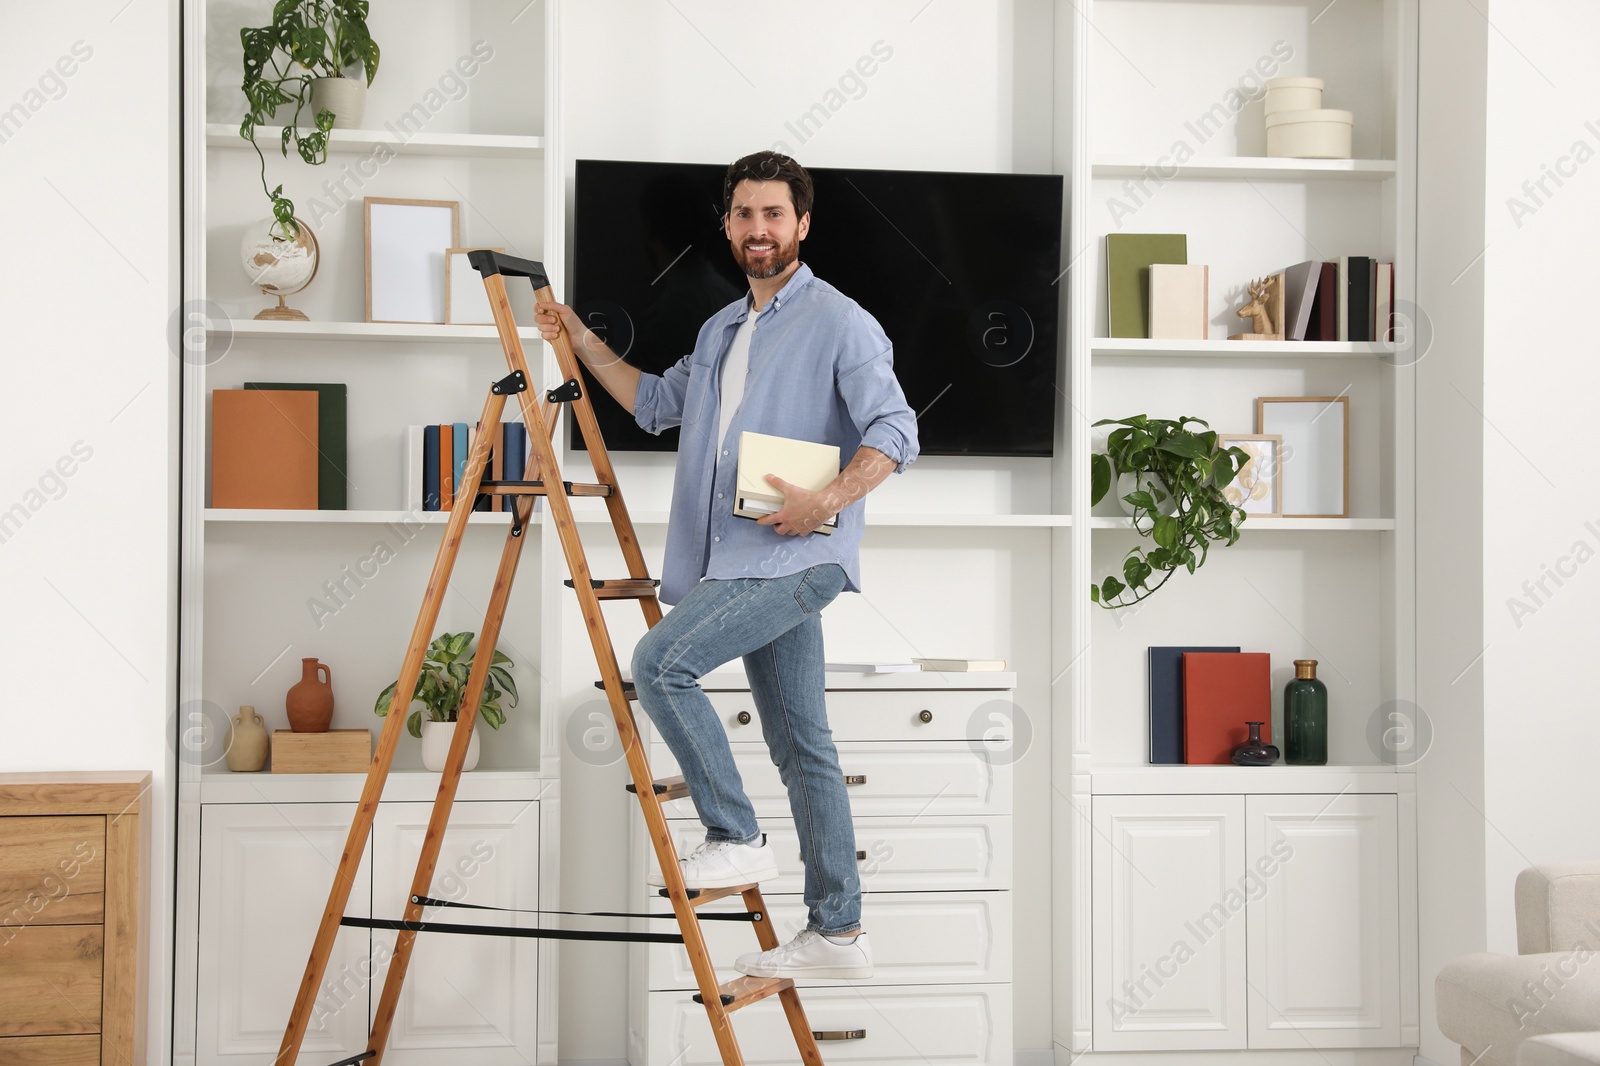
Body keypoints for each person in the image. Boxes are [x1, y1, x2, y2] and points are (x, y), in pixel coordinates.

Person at [534, 151, 918, 980]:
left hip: (798, 556)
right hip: (737, 561)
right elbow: (650, 403)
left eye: (773, 214)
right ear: (727, 225)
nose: (758, 229)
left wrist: (831, 500)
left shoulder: (841, 321)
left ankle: (735, 835)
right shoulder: (720, 329)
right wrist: (577, 337)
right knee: (803, 747)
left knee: (659, 662)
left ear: (802, 224)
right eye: (744, 214)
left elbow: (895, 430)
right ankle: (838, 930)